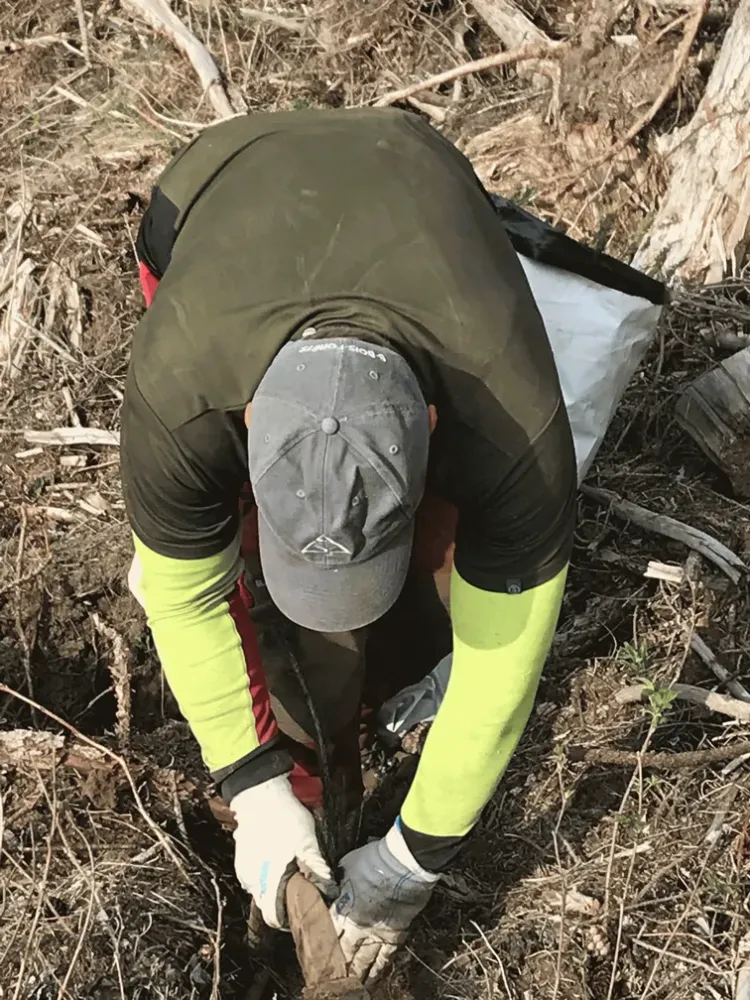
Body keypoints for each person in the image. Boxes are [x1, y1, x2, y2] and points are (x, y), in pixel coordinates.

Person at [121, 107, 576, 984]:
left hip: (415, 178)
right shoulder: (179, 392)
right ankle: (313, 774)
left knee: (455, 544)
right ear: (246, 424)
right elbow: (183, 593)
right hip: (213, 192)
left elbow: (508, 650)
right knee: (248, 569)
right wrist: (253, 783)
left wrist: (415, 858)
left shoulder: (516, 421)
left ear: (433, 423)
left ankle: (397, 655)